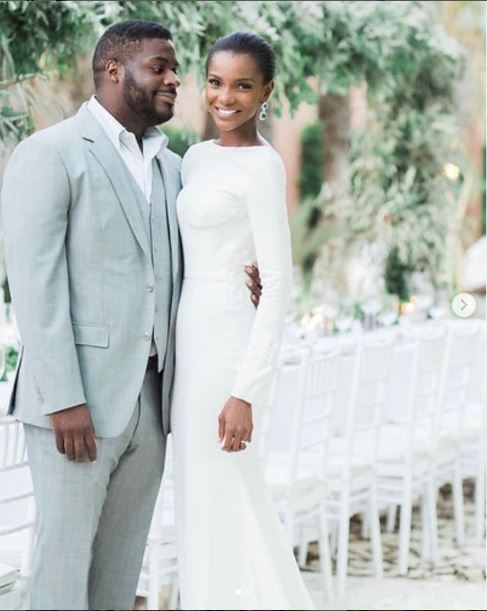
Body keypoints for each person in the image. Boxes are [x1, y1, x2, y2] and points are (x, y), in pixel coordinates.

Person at [0, 20, 260, 610]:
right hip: (76, 405)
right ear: (114, 71)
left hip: (152, 401)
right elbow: (35, 287)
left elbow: (193, 266)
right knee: (60, 573)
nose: (175, 80)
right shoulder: (51, 154)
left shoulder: (174, 169)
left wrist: (247, 278)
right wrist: (64, 398)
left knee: (119, 577)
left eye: (175, 70)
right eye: (160, 67)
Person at [171, 31, 315, 610]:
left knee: (231, 491)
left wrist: (246, 392)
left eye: (242, 85)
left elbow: (277, 285)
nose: (225, 97)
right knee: (197, 497)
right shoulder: (195, 158)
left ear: (266, 93)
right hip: (189, 338)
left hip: (228, 348)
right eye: (215, 81)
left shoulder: (264, 166)